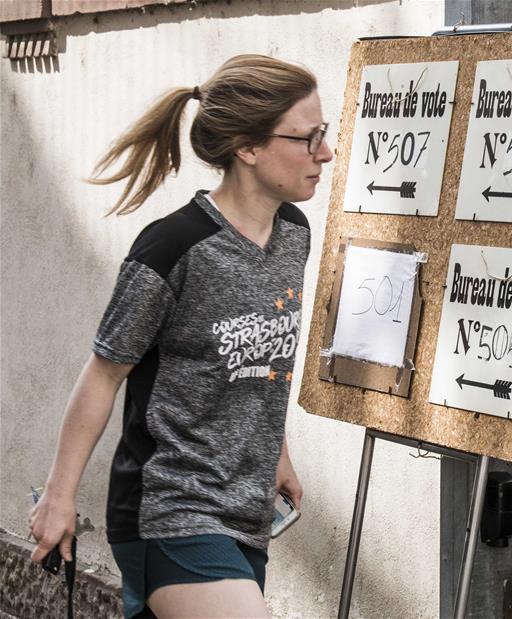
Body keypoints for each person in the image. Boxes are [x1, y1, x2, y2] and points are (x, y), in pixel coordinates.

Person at [27, 54, 333, 618]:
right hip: (169, 506)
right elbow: (104, 372)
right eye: (308, 137)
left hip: (245, 510)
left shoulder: (294, 233)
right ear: (247, 147)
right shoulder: (173, 247)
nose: (325, 152)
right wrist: (58, 496)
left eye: (325, 133)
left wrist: (278, 454)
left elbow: (259, 361)